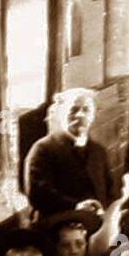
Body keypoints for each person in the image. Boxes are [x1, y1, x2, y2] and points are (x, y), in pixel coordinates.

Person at [25, 88, 114, 216]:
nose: (80, 115)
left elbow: (110, 191)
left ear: (93, 115)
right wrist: (75, 206)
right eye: (74, 110)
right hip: (60, 223)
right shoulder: (43, 149)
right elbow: (37, 193)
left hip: (97, 223)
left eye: (86, 110)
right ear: (62, 113)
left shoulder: (99, 151)